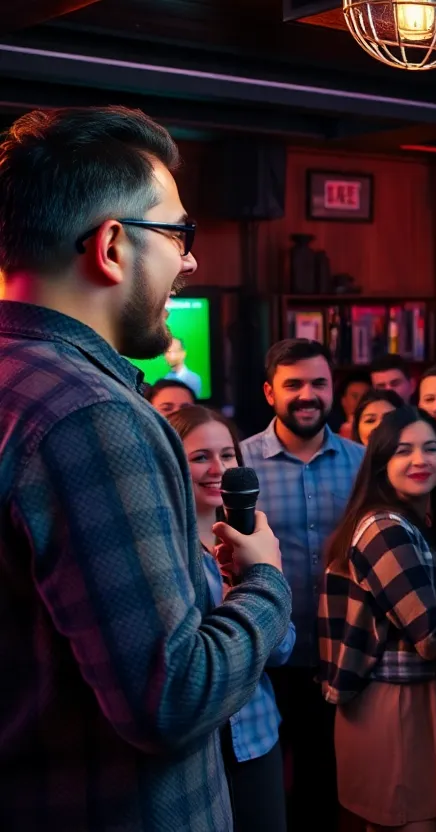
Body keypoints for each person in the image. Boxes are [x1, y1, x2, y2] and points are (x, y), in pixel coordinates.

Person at [0, 105, 290, 830]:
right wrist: (265, 583)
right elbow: (172, 699)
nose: (190, 261)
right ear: (110, 246)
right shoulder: (92, 418)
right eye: (177, 234)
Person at [242, 338, 365, 830]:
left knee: (328, 783)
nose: (307, 394)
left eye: (319, 383)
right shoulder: (238, 461)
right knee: (268, 784)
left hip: (344, 654)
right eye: (293, 385)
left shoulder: (362, 463)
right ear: (270, 392)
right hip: (268, 655)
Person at [319, 407, 436, 831]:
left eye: (431, 448)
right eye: (404, 451)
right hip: (395, 702)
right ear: (381, 464)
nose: (421, 460)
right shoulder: (384, 527)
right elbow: (430, 636)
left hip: (402, 699)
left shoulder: (412, 521)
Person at [169, 406, 296, 832]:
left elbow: (282, 647)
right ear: (171, 461)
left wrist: (250, 591)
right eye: (201, 456)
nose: (218, 469)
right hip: (193, 749)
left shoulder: (255, 541)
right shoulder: (164, 548)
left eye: (228, 455)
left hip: (256, 735)